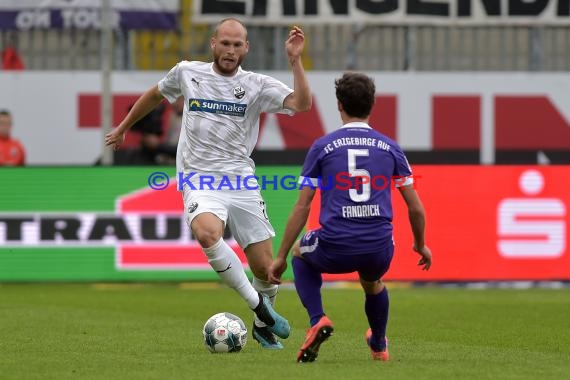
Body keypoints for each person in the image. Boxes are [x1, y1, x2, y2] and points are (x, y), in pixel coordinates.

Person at [105, 18, 312, 349]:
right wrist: (124, 126)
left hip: (241, 180)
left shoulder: (256, 84)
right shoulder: (188, 72)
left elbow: (302, 105)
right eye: (225, 43)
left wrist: (295, 61)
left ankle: (261, 324)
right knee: (207, 233)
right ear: (213, 43)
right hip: (199, 177)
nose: (230, 50)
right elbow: (155, 94)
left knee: (265, 269)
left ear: (246, 48)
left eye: (237, 45)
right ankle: (261, 308)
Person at [268, 72, 432, 362]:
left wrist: (279, 257)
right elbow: (416, 208)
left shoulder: (321, 146)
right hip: (378, 248)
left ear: (339, 104)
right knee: (372, 282)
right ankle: (379, 344)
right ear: (372, 105)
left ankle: (317, 319)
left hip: (335, 246)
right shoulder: (391, 147)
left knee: (299, 253)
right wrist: (420, 245)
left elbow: (302, 207)